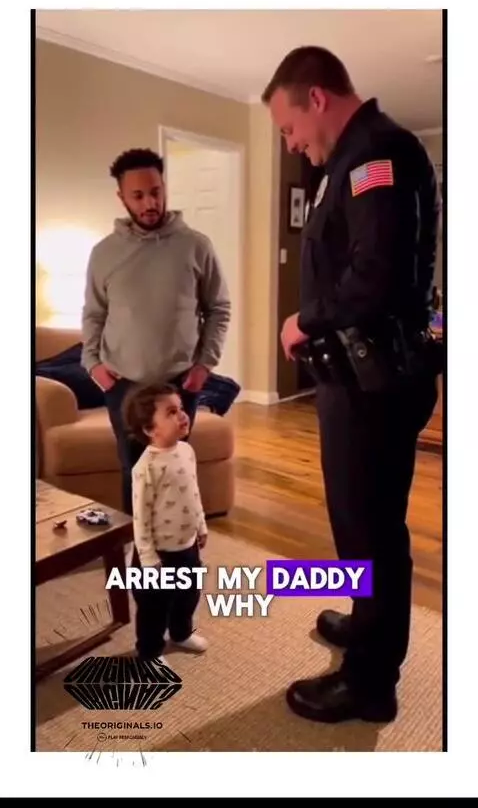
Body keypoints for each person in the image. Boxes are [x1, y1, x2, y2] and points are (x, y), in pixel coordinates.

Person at [262, 46, 442, 724]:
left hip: (377, 384)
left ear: (316, 98)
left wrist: (302, 319)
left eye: (287, 127)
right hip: (352, 380)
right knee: (354, 520)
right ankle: (367, 619)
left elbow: (378, 276)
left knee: (371, 527)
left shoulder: (378, 156)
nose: (290, 141)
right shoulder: (347, 162)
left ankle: (371, 683)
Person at [81, 148, 231, 515]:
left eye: (156, 191)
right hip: (124, 386)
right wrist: (93, 365)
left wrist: (203, 367)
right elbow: (94, 314)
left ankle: (179, 554)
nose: (150, 202)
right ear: (122, 198)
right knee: (134, 473)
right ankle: (139, 560)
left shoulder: (196, 245)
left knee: (176, 471)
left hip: (180, 384)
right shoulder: (104, 253)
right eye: (138, 195)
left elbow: (218, 308)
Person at [122, 381, 209, 659]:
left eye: (181, 408)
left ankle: (181, 633)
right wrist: (147, 557)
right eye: (171, 412)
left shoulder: (186, 451)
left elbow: (193, 492)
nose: (182, 415)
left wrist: (201, 525)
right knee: (153, 608)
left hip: (186, 545)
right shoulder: (146, 468)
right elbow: (141, 517)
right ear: (150, 429)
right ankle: (149, 652)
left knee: (188, 594)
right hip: (157, 555)